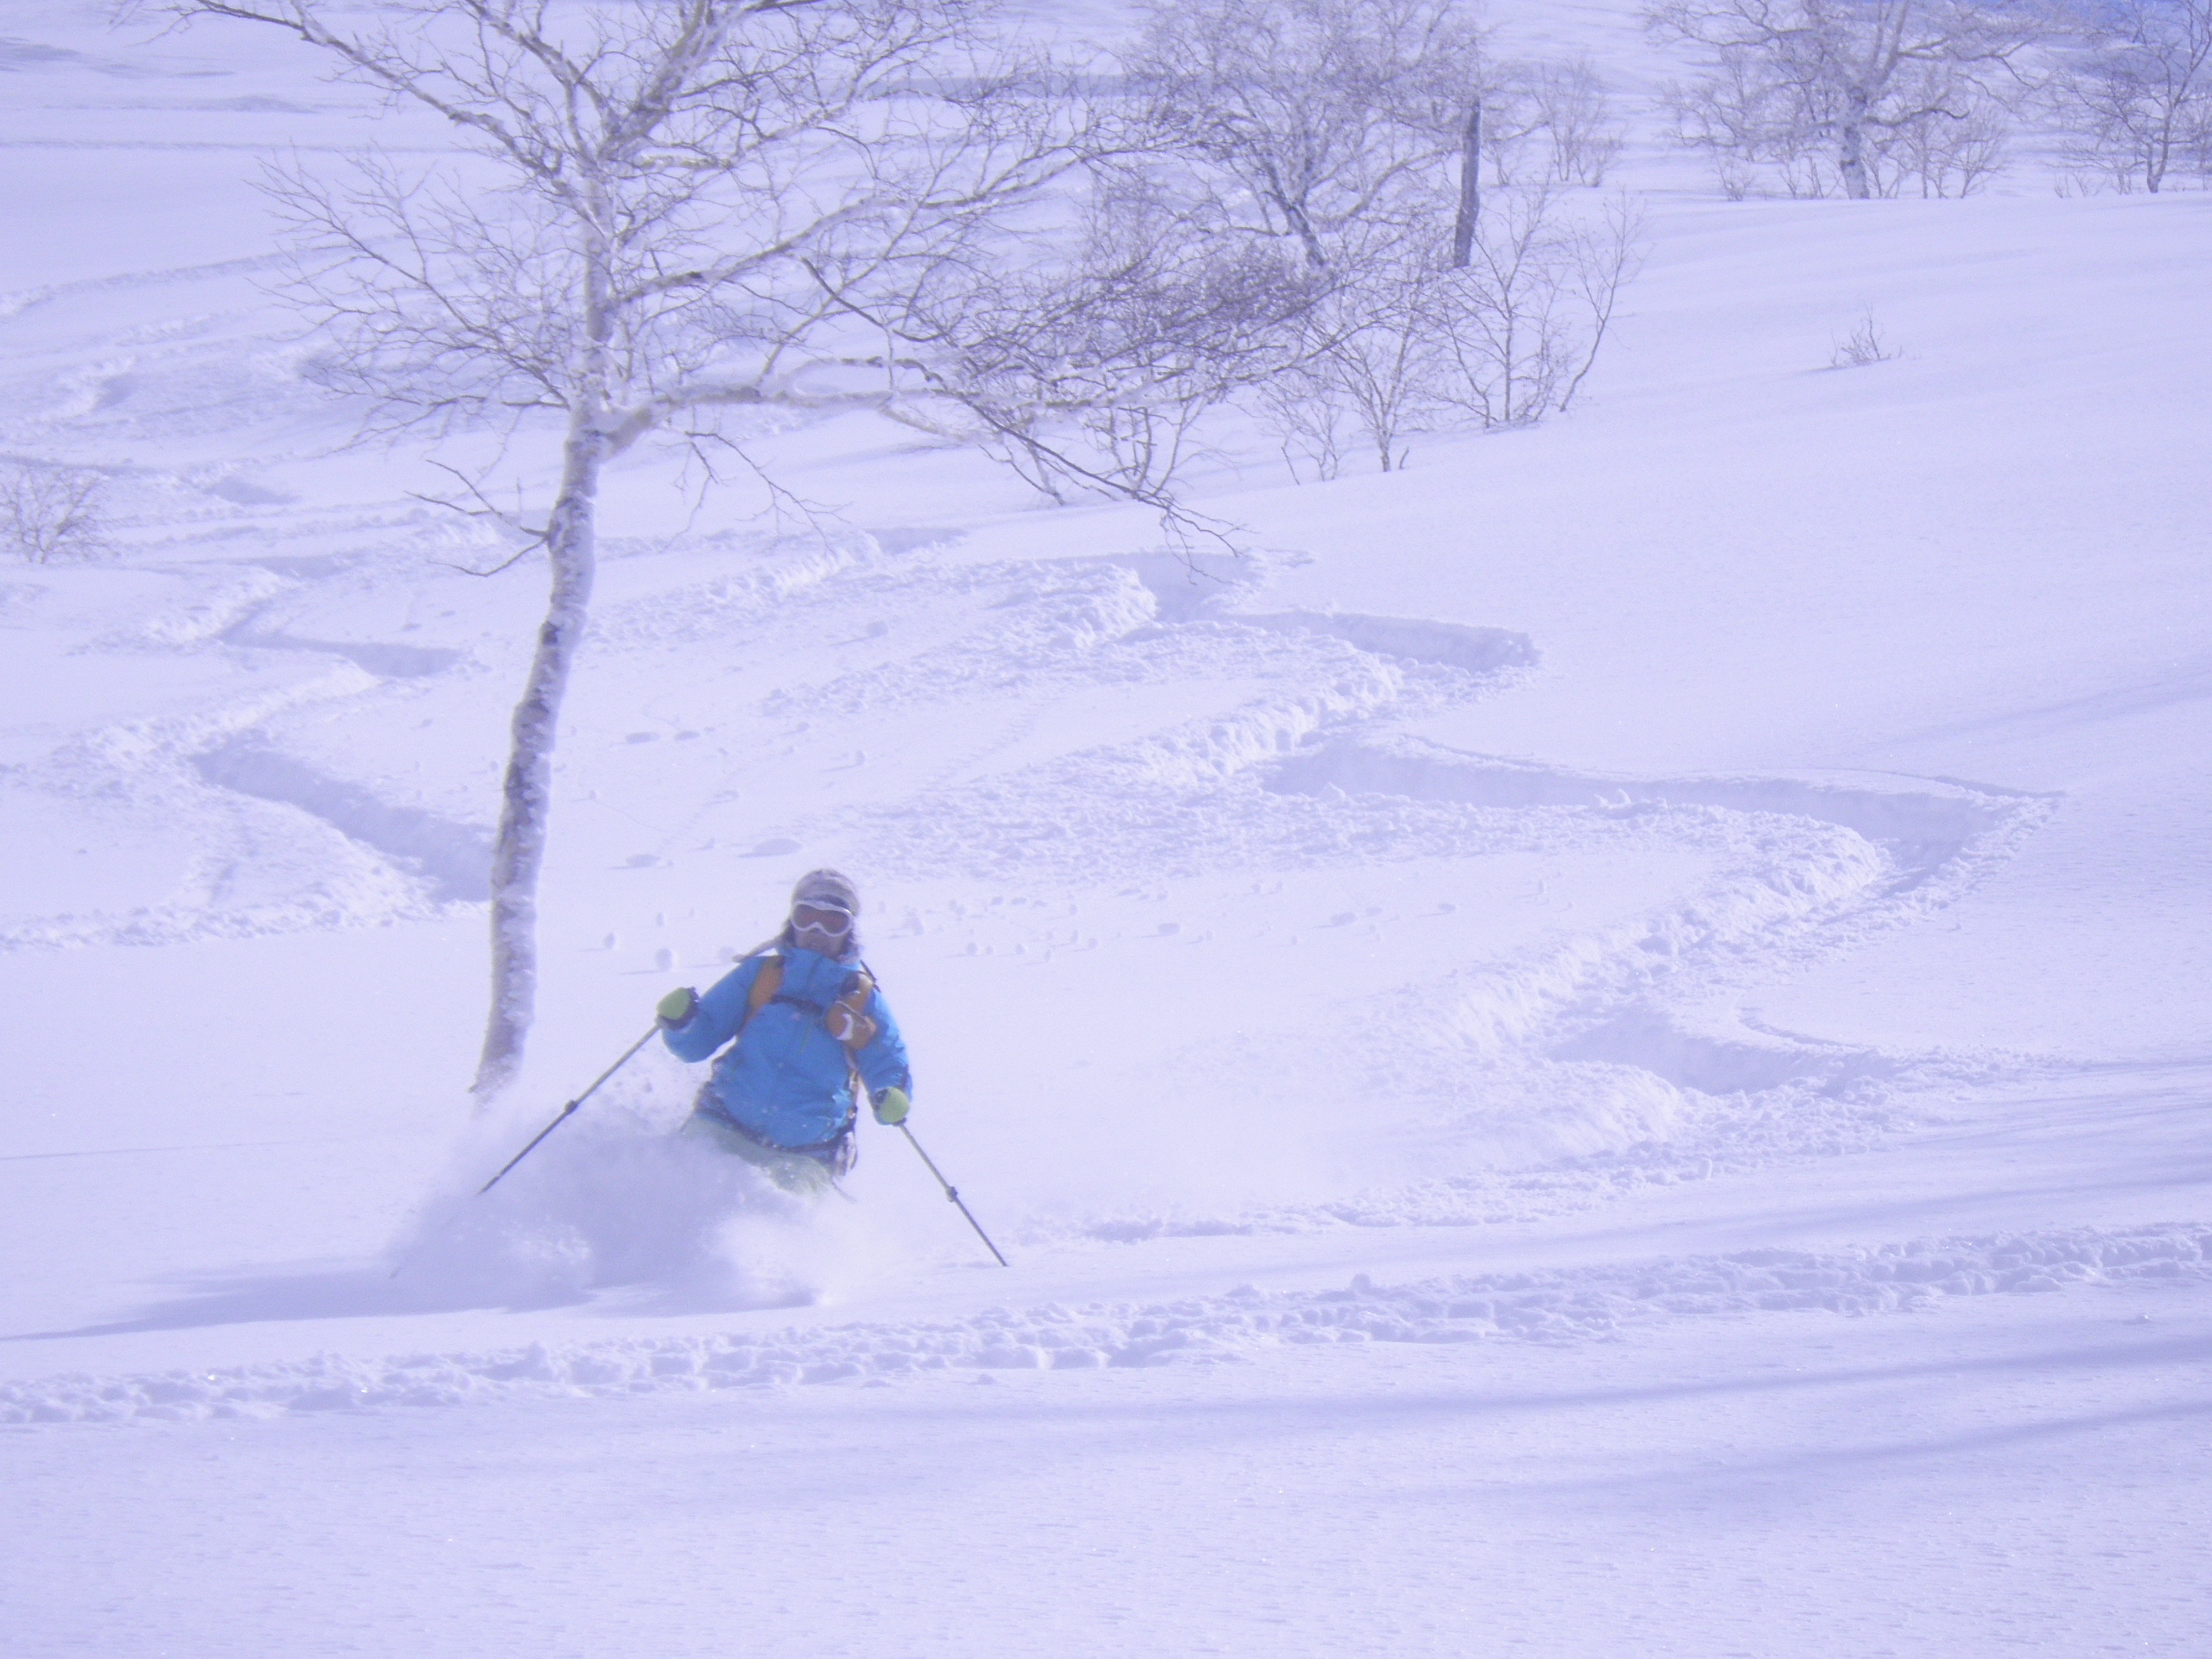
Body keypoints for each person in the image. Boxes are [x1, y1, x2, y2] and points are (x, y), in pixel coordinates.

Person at [655, 869, 912, 1194]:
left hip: (804, 1154)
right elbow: (696, 1045)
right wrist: (683, 1024)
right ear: (792, 922)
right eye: (806, 917)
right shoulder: (761, 976)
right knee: (677, 1191)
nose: (817, 931)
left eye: (833, 922)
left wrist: (892, 1096)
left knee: (784, 1220)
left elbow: (889, 1061)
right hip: (723, 1124)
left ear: (849, 931)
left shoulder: (862, 1000)